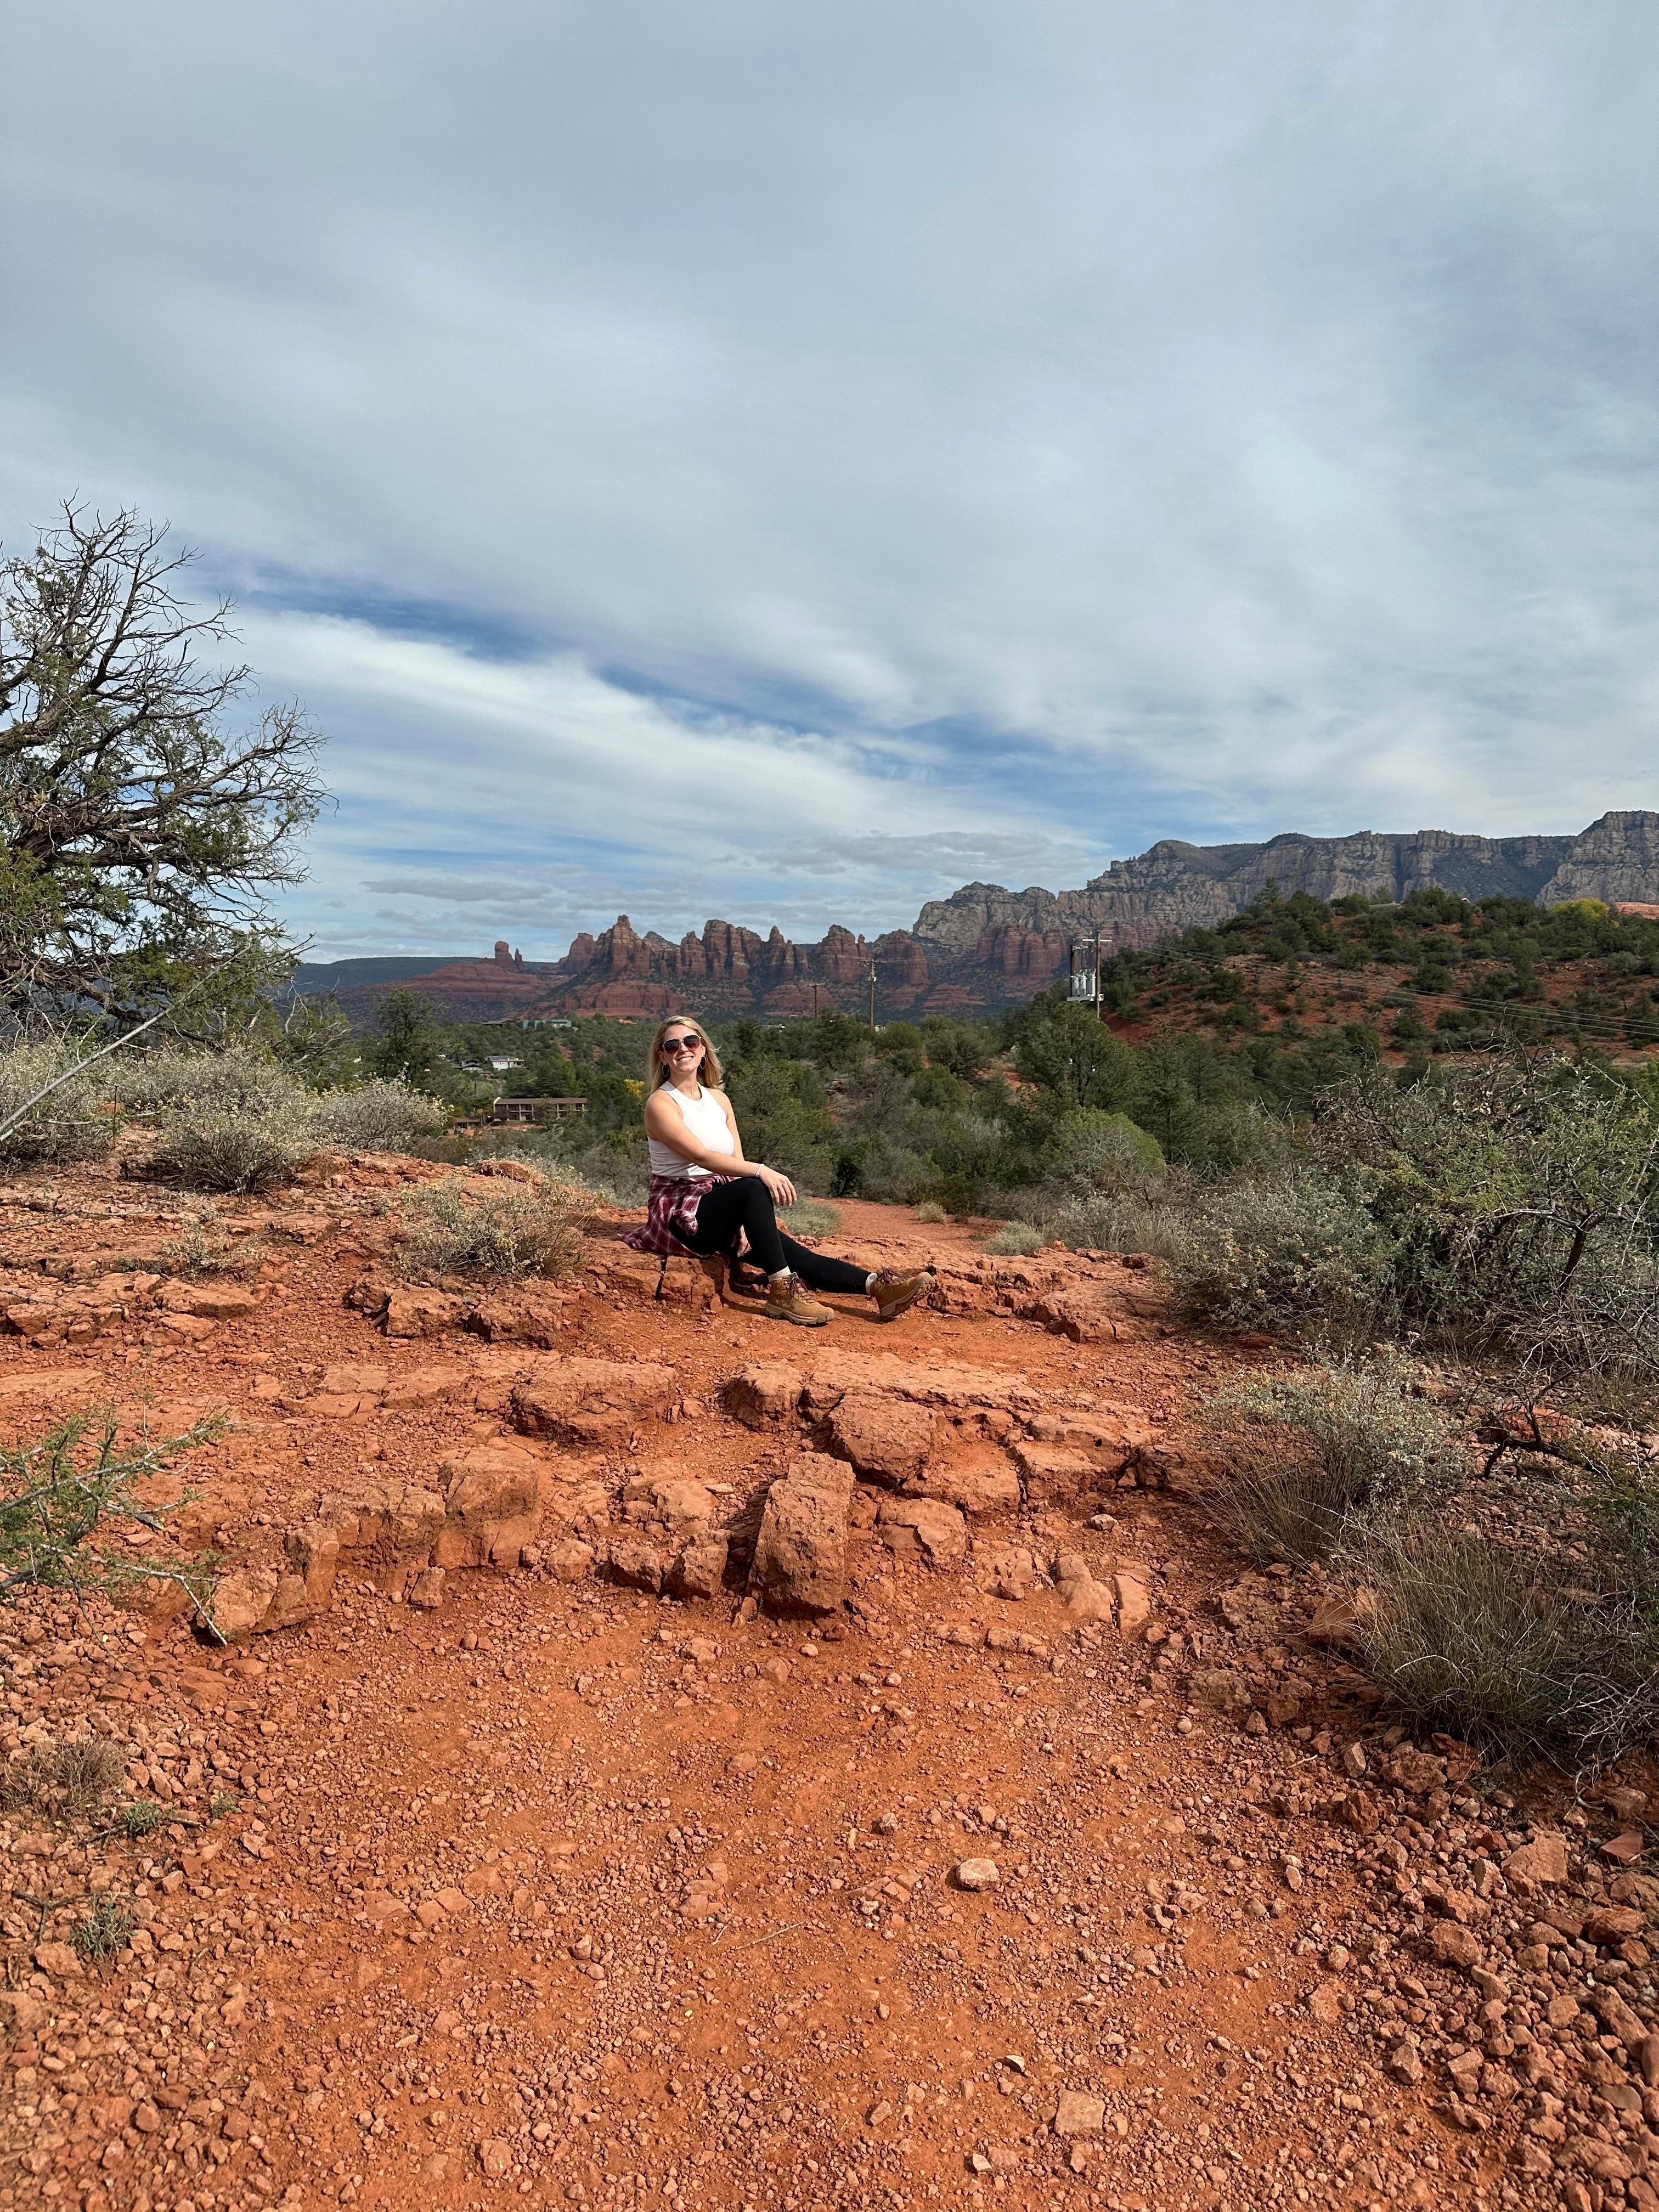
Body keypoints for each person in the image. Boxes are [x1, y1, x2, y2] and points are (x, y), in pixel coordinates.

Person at [619, 1015, 933, 1328]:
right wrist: (762, 1171)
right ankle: (783, 1293)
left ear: (703, 1051)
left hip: (718, 1203)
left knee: (791, 1253)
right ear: (662, 1056)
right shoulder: (660, 1104)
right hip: (681, 1214)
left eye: (691, 1042)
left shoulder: (719, 1099)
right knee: (755, 1187)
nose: (682, 1050)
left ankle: (880, 1288)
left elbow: (735, 1161)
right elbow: (704, 1157)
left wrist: (741, 1222)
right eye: (672, 1045)